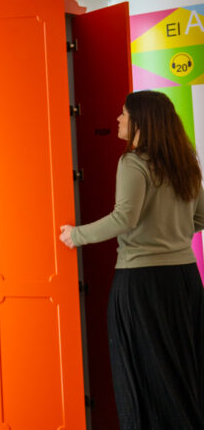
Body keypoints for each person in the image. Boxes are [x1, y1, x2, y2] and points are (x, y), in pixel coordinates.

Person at [60, 90, 204, 429]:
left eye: (124, 113)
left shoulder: (133, 162)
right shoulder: (185, 161)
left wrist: (76, 235)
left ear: (141, 121)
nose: (118, 119)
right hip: (185, 279)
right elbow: (200, 218)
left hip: (142, 282)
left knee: (141, 373)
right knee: (183, 369)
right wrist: (172, 232)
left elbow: (124, 218)